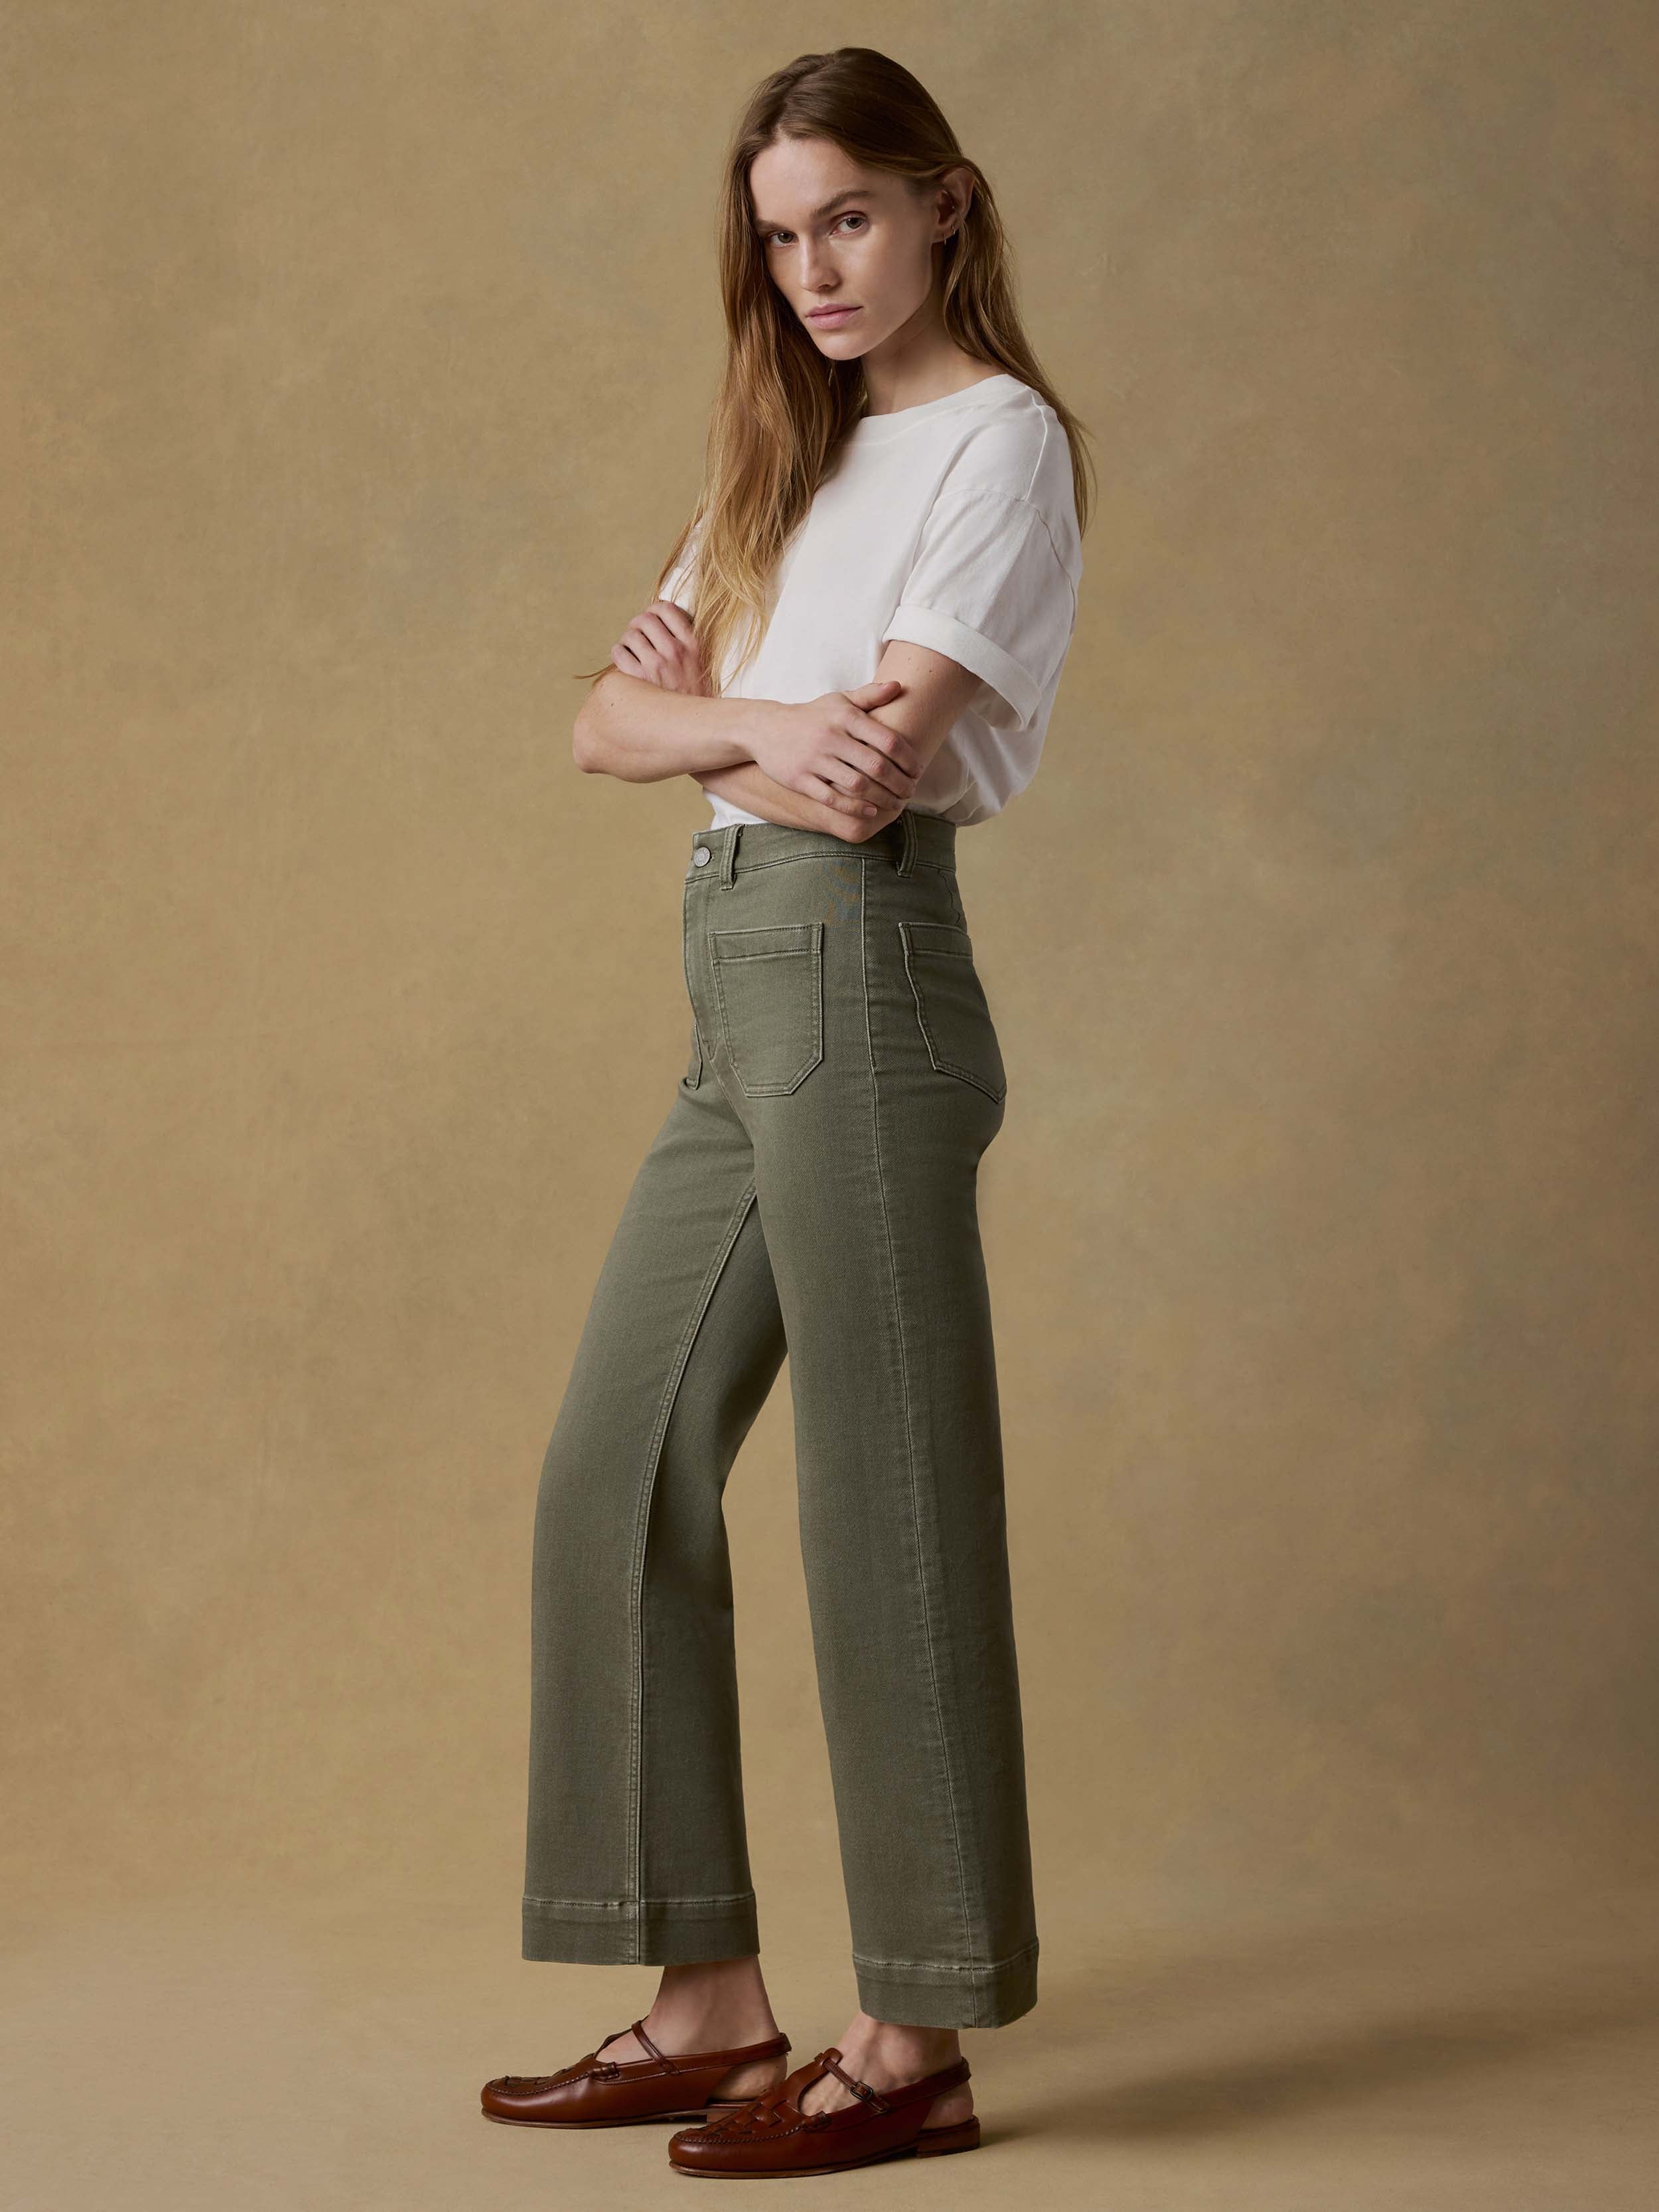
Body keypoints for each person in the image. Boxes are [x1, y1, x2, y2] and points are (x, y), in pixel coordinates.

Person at [480, 45, 1090, 2179]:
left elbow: (871, 769)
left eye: (847, 215)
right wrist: (730, 725)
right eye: (778, 231)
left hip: (860, 967)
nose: (814, 266)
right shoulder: (784, 458)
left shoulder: (994, 448)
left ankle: (913, 2032)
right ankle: (701, 1997)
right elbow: (597, 723)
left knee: (885, 1500)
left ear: (941, 206)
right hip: (732, 986)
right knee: (606, 1468)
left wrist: (707, 729)